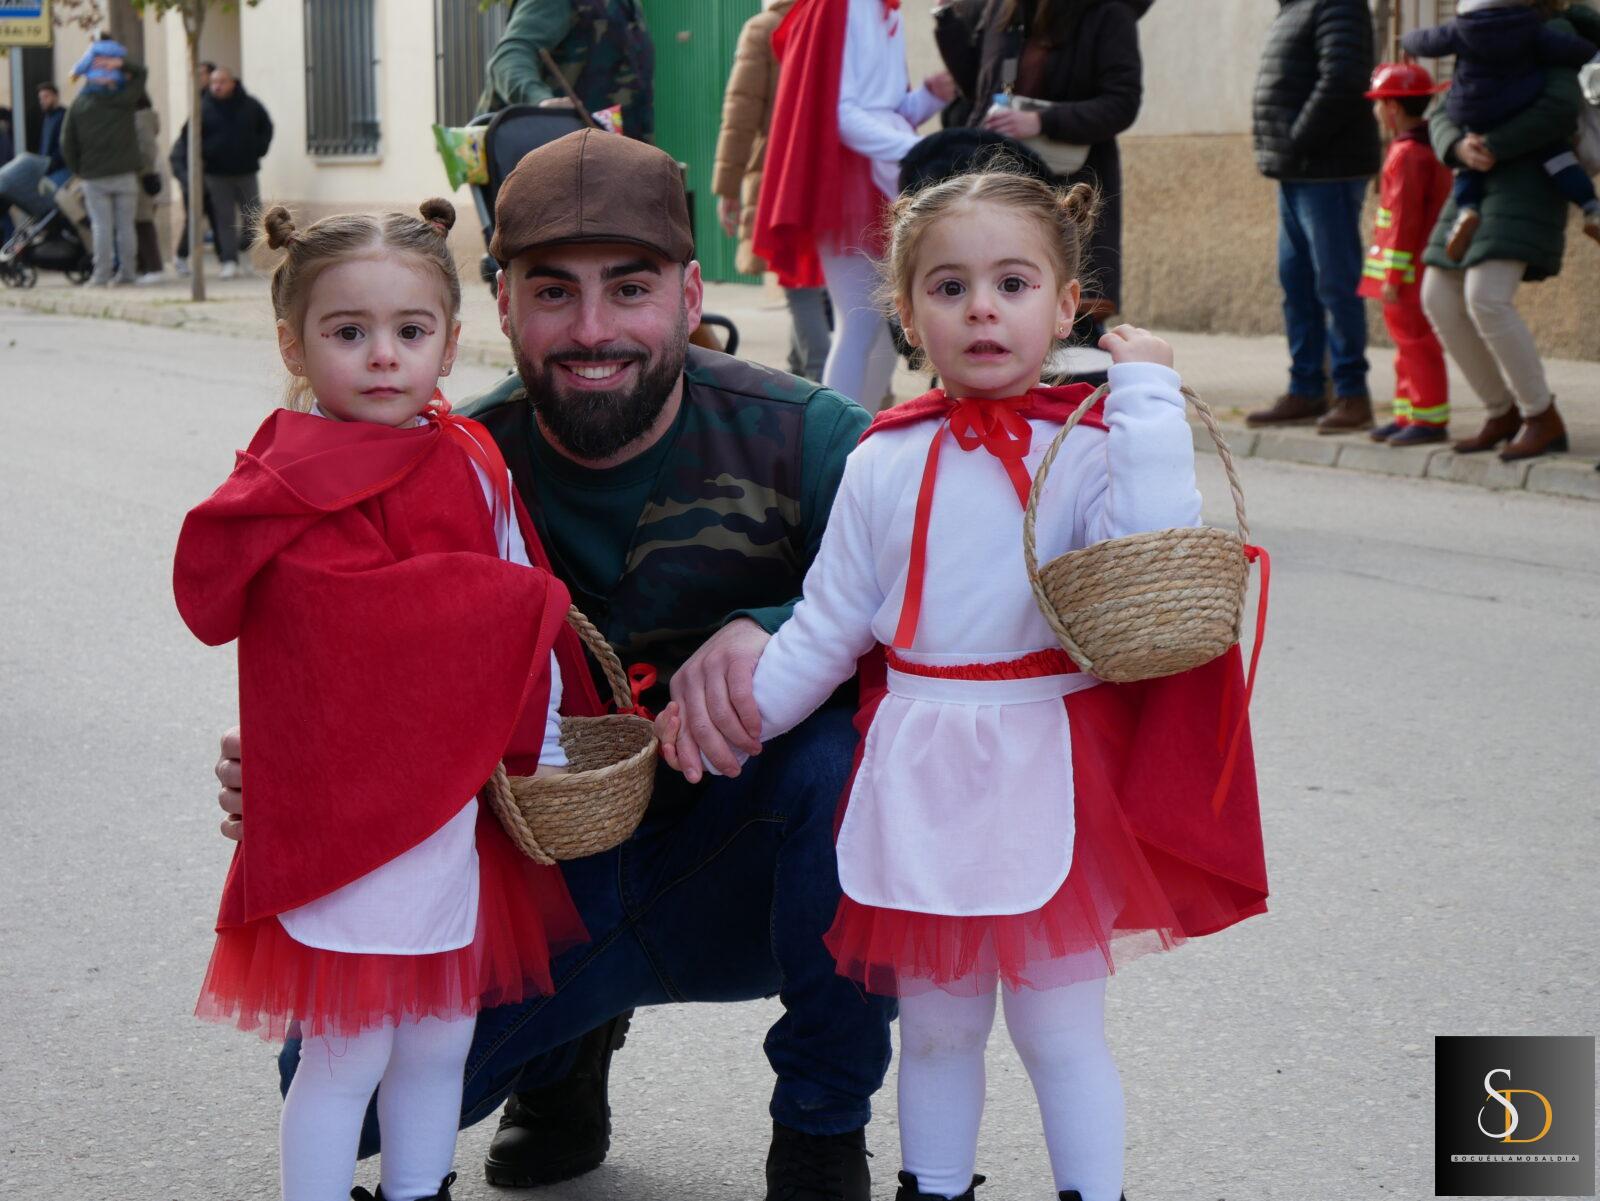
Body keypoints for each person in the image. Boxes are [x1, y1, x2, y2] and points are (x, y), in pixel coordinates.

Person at [215, 129, 895, 1201]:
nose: (591, 330)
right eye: (552, 291)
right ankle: (566, 1055)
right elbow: (323, 639)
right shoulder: (442, 465)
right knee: (342, 1083)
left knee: (857, 759)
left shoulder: (813, 440)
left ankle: (820, 1120)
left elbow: (951, 612)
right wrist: (306, 763)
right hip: (539, 873)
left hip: (745, 860)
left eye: (628, 289)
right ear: (499, 303)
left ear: (687, 289)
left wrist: (779, 621)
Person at [657, 169, 1269, 1201]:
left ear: (1066, 305)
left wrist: (1148, 395)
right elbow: (827, 626)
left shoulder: (1084, 449)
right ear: (905, 314)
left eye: (1013, 282)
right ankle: (931, 1187)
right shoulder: (881, 460)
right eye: (948, 287)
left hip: (1044, 765)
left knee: (1056, 1030)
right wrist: (726, 727)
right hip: (920, 772)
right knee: (936, 1031)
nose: (981, 307)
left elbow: (1155, 548)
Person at [176, 198, 587, 1201]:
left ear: (449, 341)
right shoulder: (282, 478)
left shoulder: (467, 457)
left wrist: (544, 743)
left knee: (439, 1038)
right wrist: (496, 610)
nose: (381, 357)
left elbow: (519, 597)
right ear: (293, 340)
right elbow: (328, 624)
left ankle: (417, 1189)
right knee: (346, 1054)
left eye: (409, 332)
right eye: (347, 332)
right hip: (345, 817)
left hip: (448, 811)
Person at [1418, 0, 1599, 461]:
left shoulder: (1549, 29)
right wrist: (1456, 145)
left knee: (1486, 297)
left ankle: (1541, 416)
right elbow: (1444, 106)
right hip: (1471, 182)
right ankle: (1502, 412)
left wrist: (1494, 145)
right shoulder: (1476, 30)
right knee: (1436, 294)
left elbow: (1559, 108)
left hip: (1531, 180)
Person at [754, 0, 956, 409]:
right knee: (861, 322)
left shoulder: (887, 9)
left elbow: (886, 110)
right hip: (850, 183)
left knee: (883, 325)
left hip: (885, 178)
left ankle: (865, 437)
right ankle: (839, 443)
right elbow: (840, 113)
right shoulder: (838, 6)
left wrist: (929, 99)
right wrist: (921, 147)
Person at [933, 0, 1148, 343]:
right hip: (998, 181)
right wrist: (947, 18)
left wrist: (1040, 121)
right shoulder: (1004, 8)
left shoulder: (1106, 13)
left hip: (1067, 189)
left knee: (1070, 326)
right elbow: (979, 88)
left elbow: (1122, 102)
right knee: (991, 310)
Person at [1248, 0, 1382, 434]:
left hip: (1328, 168)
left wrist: (1297, 139)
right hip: (1297, 169)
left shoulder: (1337, 4)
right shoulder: (1296, 7)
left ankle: (1351, 394)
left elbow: (1343, 78)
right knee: (1297, 282)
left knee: (1335, 283)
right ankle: (1306, 389)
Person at [1401, 0, 1599, 259]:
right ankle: (1590, 206)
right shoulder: (1532, 28)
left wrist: (1406, 41)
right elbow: (1573, 50)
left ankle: (1466, 210)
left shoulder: (1462, 29)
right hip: (1519, 109)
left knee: (1468, 169)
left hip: (1476, 122)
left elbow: (1426, 41)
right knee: (1558, 158)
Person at [714, 0, 833, 381]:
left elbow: (740, 116)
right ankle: (800, 375)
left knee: (798, 281)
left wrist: (727, 188)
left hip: (778, 179)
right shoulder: (835, 24)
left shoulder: (764, 28)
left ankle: (817, 379)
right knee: (812, 281)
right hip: (831, 176)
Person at [1358, 63, 1454, 445]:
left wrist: (1393, 278)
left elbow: (1403, 221)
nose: (1377, 111)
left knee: (1416, 345)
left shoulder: (1407, 155)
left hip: (1408, 274)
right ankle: (1408, 414)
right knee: (1407, 347)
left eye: (1380, 103)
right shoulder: (1423, 148)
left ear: (1393, 108)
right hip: (1414, 270)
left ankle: (1428, 420)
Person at [477, 0, 655, 141]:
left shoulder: (630, 5)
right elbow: (508, 58)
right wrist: (540, 100)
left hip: (605, 162)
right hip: (549, 160)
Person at [60, 38, 148, 288]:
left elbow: (67, 142)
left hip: (93, 176)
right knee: (125, 227)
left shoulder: (79, 104)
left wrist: (79, 169)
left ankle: (101, 275)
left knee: (101, 227)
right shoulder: (123, 99)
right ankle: (128, 274)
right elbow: (141, 73)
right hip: (125, 174)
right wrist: (119, 63)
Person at [198, 67, 273, 279]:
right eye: (213, 82)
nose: (217, 86)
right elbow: (192, 137)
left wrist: (259, 149)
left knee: (253, 214)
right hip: (216, 173)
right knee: (224, 218)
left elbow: (266, 127)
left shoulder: (250, 105)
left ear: (232, 82)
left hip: (246, 170)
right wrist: (205, 155)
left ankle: (245, 251)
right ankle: (229, 261)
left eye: (222, 81)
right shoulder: (203, 107)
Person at [169, 60, 217, 277]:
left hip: (200, 165)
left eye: (202, 74)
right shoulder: (204, 100)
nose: (198, 78)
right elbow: (188, 136)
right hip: (185, 162)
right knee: (195, 212)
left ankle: (227, 258)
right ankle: (181, 257)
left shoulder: (210, 99)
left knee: (213, 211)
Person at [133, 95, 165, 282]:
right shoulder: (143, 118)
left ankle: (153, 267)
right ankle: (145, 267)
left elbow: (146, 150)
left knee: (143, 221)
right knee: (140, 222)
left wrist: (145, 172)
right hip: (143, 175)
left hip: (143, 177)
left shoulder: (142, 119)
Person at [36, 82, 69, 180]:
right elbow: (44, 144)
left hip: (62, 170)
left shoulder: (64, 116)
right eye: (40, 98)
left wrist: (51, 164)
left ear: (55, 97)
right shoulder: (47, 118)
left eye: (46, 97)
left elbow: (64, 146)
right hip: (47, 170)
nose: (42, 101)